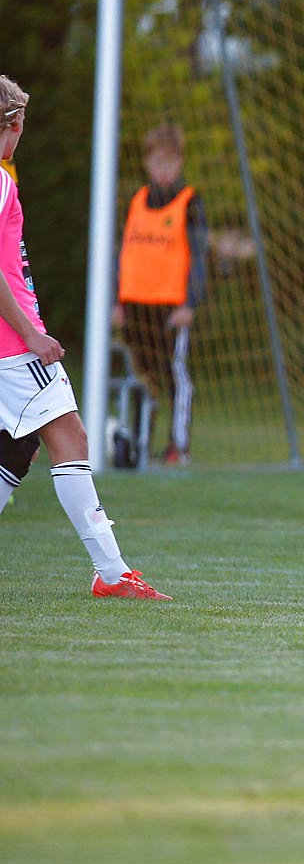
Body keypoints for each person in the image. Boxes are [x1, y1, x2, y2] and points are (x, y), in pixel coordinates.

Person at [0, 75, 170, 598]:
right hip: (12, 345)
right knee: (70, 436)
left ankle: (113, 574)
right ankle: (113, 574)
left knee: (15, 452)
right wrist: (32, 334)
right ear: (12, 124)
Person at [110, 123, 208, 466]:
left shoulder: (189, 202)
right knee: (141, 379)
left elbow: (198, 256)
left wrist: (190, 302)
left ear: (179, 162)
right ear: (147, 162)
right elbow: (120, 253)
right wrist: (115, 300)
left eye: (170, 161)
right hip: (135, 304)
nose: (163, 168)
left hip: (170, 307)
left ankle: (177, 447)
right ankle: (139, 442)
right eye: (157, 161)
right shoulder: (135, 201)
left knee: (175, 377)